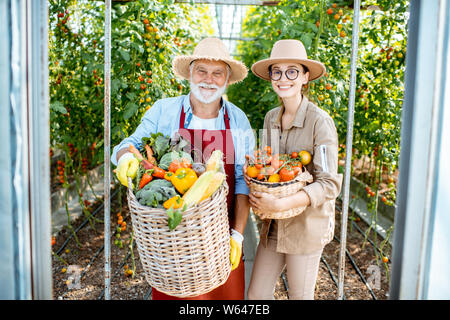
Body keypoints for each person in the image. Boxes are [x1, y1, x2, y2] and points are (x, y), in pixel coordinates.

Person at [112, 37, 255, 300]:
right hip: (175, 245)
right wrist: (124, 158)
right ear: (190, 73)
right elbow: (127, 144)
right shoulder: (164, 111)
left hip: (220, 241)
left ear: (226, 79)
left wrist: (237, 235)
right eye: (201, 70)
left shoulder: (237, 119)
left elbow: (242, 181)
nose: (208, 79)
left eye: (217, 73)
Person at [245, 39, 343, 300]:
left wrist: (281, 203)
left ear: (305, 77)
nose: (283, 78)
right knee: (256, 296)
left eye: (292, 71)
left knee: (299, 296)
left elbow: (329, 184)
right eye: (276, 72)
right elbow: (266, 169)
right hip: (274, 226)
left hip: (306, 227)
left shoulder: (319, 122)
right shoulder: (270, 118)